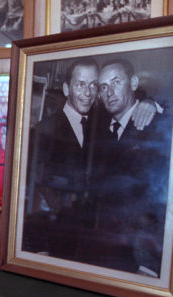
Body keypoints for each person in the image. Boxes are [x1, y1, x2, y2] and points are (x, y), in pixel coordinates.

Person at [22, 57, 155, 257]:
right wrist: (40, 248)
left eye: (94, 85)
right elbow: (34, 193)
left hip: (96, 243)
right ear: (67, 89)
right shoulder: (44, 131)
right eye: (80, 84)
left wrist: (149, 103)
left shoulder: (103, 124)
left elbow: (130, 102)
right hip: (56, 241)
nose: (88, 93)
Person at [84, 58, 172, 276]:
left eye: (115, 82)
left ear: (133, 83)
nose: (109, 92)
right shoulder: (100, 129)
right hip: (106, 250)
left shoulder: (156, 124)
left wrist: (148, 266)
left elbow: (162, 198)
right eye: (103, 87)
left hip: (144, 256)